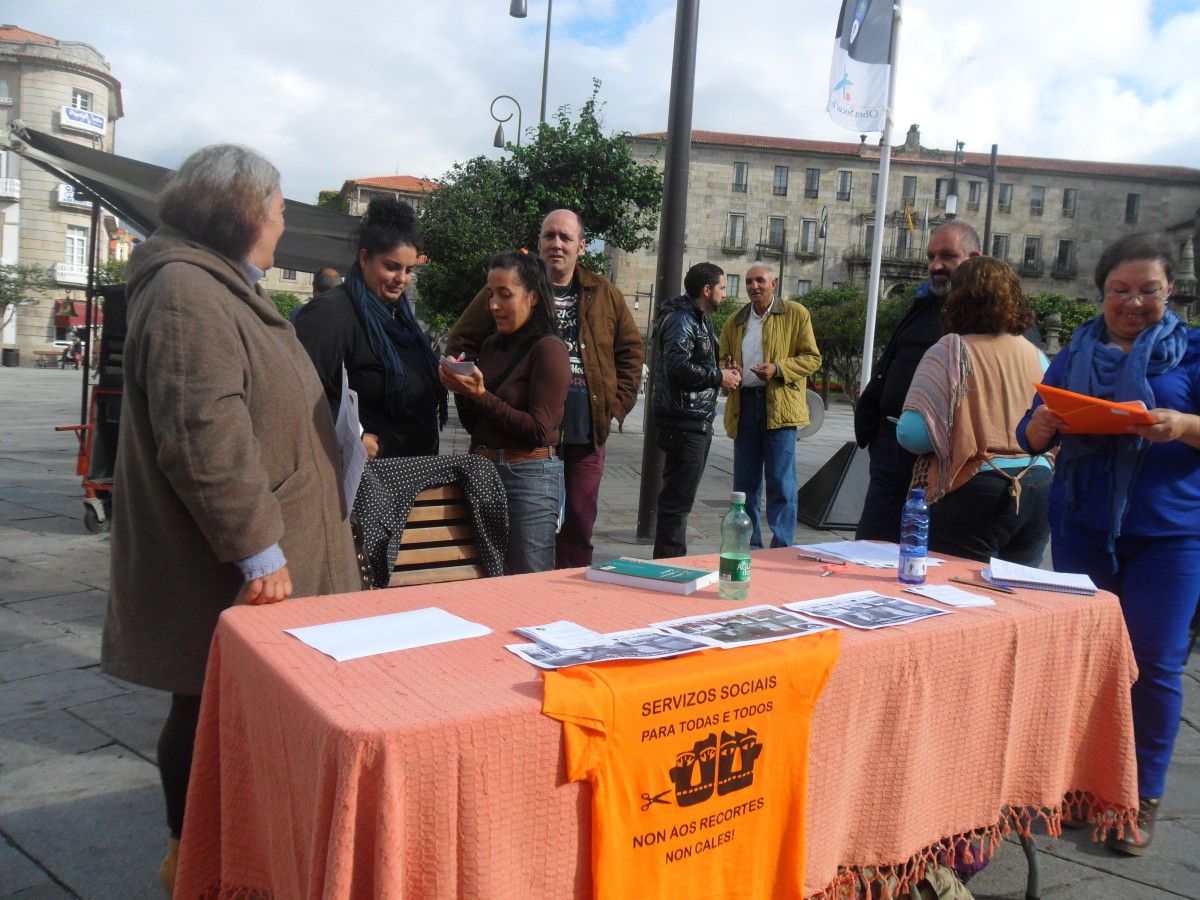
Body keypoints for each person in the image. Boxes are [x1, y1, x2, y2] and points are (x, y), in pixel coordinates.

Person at [99, 144, 361, 892]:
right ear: (245, 213)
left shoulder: (211, 283)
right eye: (278, 212)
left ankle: (229, 843)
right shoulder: (187, 289)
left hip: (271, 545)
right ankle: (195, 857)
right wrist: (258, 552)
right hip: (233, 563)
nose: (281, 226)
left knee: (228, 706)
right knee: (206, 706)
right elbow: (202, 431)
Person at [1018, 232, 1200, 856]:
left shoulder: (1193, 352)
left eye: (1147, 290)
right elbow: (1032, 429)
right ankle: (1078, 785)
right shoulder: (1073, 355)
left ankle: (1139, 795)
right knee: (1087, 662)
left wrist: (1183, 426)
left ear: (1170, 289)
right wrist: (1039, 426)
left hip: (1170, 534)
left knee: (1154, 664)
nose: (1132, 302)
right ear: (1101, 294)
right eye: (1119, 290)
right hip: (1083, 525)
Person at [446, 209, 642, 567]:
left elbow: (631, 350)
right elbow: (462, 341)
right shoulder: (510, 288)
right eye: (549, 236)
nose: (556, 244)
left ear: (581, 246)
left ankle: (569, 592)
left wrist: (615, 406)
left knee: (580, 523)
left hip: (585, 425)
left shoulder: (603, 292)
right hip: (523, 422)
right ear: (539, 242)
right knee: (524, 532)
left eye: (565, 238)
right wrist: (476, 394)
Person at [896, 257, 1051, 565]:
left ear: (959, 298)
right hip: (1038, 485)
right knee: (1017, 595)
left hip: (976, 488)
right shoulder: (1035, 354)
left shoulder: (949, 350)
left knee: (960, 594)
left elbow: (914, 435)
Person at [854, 223, 986, 542]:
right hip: (889, 447)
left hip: (940, 457)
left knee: (921, 549)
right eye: (931, 256)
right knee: (871, 544)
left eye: (947, 256)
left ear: (974, 258)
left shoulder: (987, 316)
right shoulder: (924, 303)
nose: (935, 265)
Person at [441, 249, 569, 574]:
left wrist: (482, 395)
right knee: (483, 580)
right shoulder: (490, 346)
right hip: (483, 472)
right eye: (491, 294)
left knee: (528, 583)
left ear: (533, 297)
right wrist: (462, 391)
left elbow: (538, 430)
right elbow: (477, 425)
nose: (494, 305)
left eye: (505, 295)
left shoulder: (549, 350)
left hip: (528, 478)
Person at [294, 198, 445, 459]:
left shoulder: (399, 315)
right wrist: (355, 438)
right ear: (364, 258)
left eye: (410, 270)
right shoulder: (330, 315)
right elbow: (298, 391)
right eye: (392, 267)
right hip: (367, 480)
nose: (403, 279)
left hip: (414, 473)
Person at [718, 263, 822, 549]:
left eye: (760, 280)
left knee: (780, 481)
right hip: (745, 406)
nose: (754, 286)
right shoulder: (734, 321)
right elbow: (722, 360)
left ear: (773, 283)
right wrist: (730, 371)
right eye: (749, 282)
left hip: (780, 407)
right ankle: (748, 546)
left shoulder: (795, 313)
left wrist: (778, 369)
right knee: (745, 484)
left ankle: (782, 546)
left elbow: (812, 358)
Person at [651, 262, 740, 558]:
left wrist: (721, 375)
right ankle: (669, 567)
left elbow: (695, 363)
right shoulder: (682, 319)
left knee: (679, 501)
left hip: (693, 420)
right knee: (676, 502)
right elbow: (677, 367)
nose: (725, 295)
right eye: (722, 288)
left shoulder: (699, 319)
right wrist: (717, 376)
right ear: (707, 290)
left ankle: (671, 562)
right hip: (683, 423)